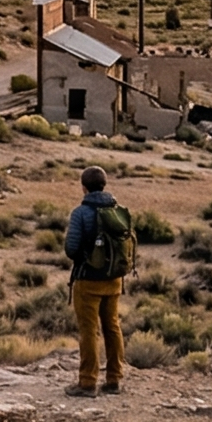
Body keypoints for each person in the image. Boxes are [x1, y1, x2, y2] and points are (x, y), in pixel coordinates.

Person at [63, 166, 131, 396]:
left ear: (84, 187)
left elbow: (71, 249)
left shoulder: (80, 213)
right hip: (114, 279)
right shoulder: (117, 211)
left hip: (88, 280)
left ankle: (87, 382)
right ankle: (114, 379)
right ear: (104, 185)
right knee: (112, 327)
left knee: (89, 331)